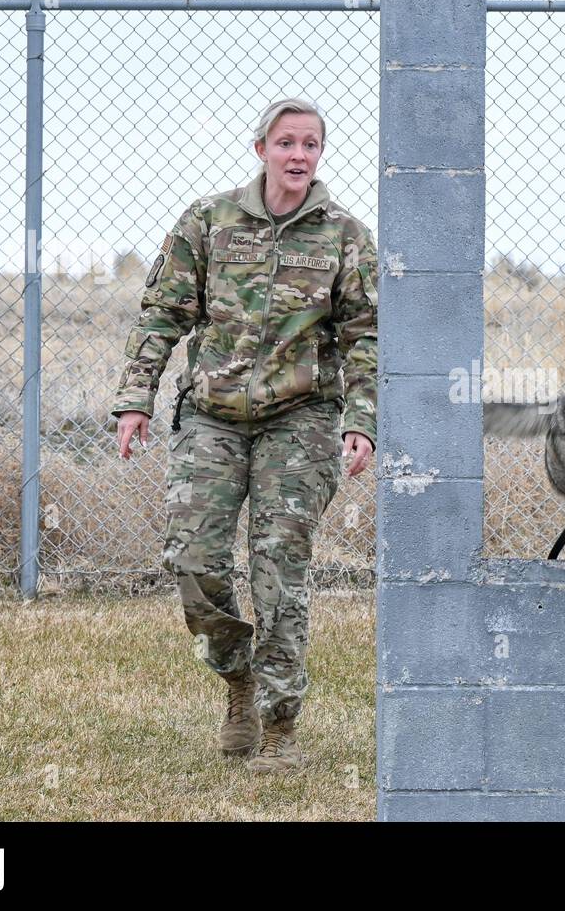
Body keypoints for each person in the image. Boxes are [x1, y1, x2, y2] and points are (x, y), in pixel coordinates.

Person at [110, 98, 376, 775]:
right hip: (212, 414)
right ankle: (238, 679)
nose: (298, 155)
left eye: (310, 144)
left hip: (302, 417)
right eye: (285, 142)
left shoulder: (343, 235)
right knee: (194, 563)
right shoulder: (208, 222)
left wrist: (361, 422)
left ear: (320, 154)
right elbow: (162, 313)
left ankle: (281, 726)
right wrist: (134, 399)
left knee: (277, 571)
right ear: (260, 148)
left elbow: (365, 336)